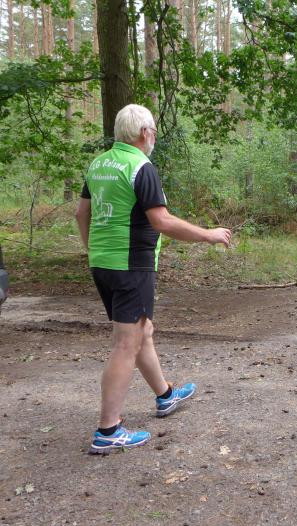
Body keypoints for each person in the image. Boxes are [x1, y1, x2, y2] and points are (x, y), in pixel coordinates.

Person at [75, 104, 232, 454]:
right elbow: (161, 221)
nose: (155, 138)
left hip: (103, 262)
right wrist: (208, 235)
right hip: (131, 264)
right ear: (145, 133)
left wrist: (93, 250)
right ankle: (108, 429)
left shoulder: (99, 164)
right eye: (154, 132)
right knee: (126, 343)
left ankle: (165, 395)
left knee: (142, 330)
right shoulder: (140, 167)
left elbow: (81, 213)